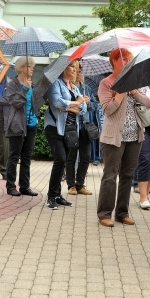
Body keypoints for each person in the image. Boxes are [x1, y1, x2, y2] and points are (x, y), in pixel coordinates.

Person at [97, 48, 150, 227]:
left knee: (127, 175)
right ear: (113, 61)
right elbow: (108, 109)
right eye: (123, 59)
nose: (127, 62)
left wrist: (134, 91)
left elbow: (147, 103)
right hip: (113, 137)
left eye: (128, 59)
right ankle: (104, 213)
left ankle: (122, 212)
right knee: (110, 175)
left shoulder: (134, 81)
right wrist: (120, 92)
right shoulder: (106, 83)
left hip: (134, 135)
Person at [45, 60, 87, 210]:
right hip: (54, 127)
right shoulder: (56, 83)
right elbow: (57, 102)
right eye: (71, 66)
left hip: (70, 130)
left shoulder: (74, 87)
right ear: (64, 68)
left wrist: (75, 104)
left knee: (64, 161)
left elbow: (84, 108)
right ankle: (51, 197)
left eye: (75, 67)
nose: (74, 69)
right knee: (60, 159)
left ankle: (58, 195)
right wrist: (76, 103)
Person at [0, 56, 40, 197]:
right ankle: (10, 186)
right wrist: (25, 89)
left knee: (26, 157)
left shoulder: (30, 83)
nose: (32, 68)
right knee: (14, 156)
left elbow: (33, 104)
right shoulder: (12, 85)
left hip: (31, 124)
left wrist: (36, 114)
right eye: (29, 66)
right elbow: (16, 103)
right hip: (17, 125)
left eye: (33, 66)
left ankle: (25, 186)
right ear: (21, 68)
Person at [67, 65, 95, 196]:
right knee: (72, 156)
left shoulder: (87, 88)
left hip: (85, 127)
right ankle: (71, 185)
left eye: (80, 71)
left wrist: (89, 102)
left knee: (86, 157)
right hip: (73, 126)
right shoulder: (70, 88)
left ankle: (80, 184)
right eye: (77, 71)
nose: (79, 74)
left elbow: (95, 105)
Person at [133, 84, 150, 210]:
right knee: (145, 159)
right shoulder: (141, 85)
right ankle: (143, 197)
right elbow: (142, 102)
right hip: (144, 126)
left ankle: (148, 194)